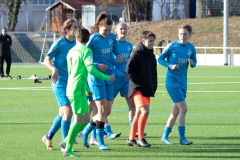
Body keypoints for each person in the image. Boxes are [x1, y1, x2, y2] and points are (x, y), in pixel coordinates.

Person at [61, 28, 115, 157]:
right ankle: (68, 149)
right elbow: (90, 69)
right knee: (79, 120)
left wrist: (87, 89)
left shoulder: (71, 51)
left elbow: (73, 71)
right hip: (76, 89)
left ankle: (66, 140)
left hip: (75, 87)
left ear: (76, 37)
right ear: (88, 38)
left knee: (85, 120)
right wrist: (107, 77)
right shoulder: (86, 51)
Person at [81, 12, 122, 150]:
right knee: (102, 109)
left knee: (107, 111)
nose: (108, 33)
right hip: (96, 77)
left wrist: (117, 57)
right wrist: (97, 65)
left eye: (110, 30)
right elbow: (86, 57)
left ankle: (86, 131)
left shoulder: (111, 37)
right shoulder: (93, 39)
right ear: (98, 27)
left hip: (110, 76)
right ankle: (100, 142)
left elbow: (115, 51)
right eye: (105, 30)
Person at [41, 18, 78, 151]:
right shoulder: (59, 43)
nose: (77, 29)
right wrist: (54, 69)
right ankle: (66, 143)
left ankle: (48, 137)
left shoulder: (77, 43)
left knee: (63, 114)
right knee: (68, 111)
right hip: (60, 82)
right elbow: (47, 59)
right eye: (74, 27)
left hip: (72, 82)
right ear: (67, 30)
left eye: (77, 26)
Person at [157, 23, 197, 145]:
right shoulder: (172, 46)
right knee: (184, 109)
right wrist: (170, 65)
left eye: (185, 34)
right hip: (172, 82)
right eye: (180, 34)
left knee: (175, 112)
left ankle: (164, 136)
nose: (182, 36)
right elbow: (159, 59)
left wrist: (192, 63)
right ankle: (182, 138)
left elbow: (194, 62)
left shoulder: (191, 48)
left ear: (189, 35)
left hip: (183, 83)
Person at [126, 30, 158, 147]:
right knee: (145, 112)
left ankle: (131, 139)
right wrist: (137, 83)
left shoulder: (151, 55)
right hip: (138, 88)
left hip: (147, 88)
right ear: (143, 41)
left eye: (153, 41)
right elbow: (129, 70)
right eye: (149, 41)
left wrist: (153, 85)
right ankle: (140, 138)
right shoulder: (137, 53)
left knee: (139, 113)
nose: (152, 43)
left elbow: (153, 73)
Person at [112, 22, 136, 132]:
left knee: (132, 104)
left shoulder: (129, 45)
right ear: (116, 31)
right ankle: (105, 129)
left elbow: (129, 61)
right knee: (106, 108)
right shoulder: (112, 44)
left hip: (126, 79)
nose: (123, 31)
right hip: (114, 79)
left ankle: (133, 128)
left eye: (125, 29)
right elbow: (110, 61)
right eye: (121, 29)